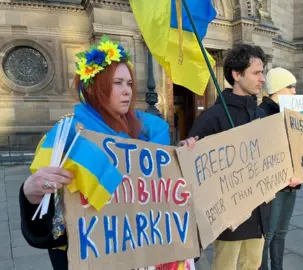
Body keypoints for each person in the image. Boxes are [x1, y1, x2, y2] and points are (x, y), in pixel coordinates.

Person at [19, 36, 196, 270]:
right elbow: (49, 230)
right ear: (94, 88)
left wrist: (182, 159)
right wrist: (31, 193)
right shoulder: (66, 139)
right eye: (117, 83)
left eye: (129, 83)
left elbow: (166, 202)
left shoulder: (150, 133)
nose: (127, 91)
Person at [186, 44, 300, 270]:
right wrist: (189, 148)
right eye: (256, 73)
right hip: (230, 222)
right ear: (236, 75)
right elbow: (193, 170)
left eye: (262, 73)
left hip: (260, 215)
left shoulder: (260, 115)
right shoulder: (212, 118)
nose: (262, 80)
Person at [259, 67, 301, 270]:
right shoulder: (263, 112)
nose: (294, 91)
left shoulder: (292, 113)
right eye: (291, 87)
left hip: (292, 182)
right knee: (268, 234)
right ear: (277, 89)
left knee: (281, 232)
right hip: (274, 186)